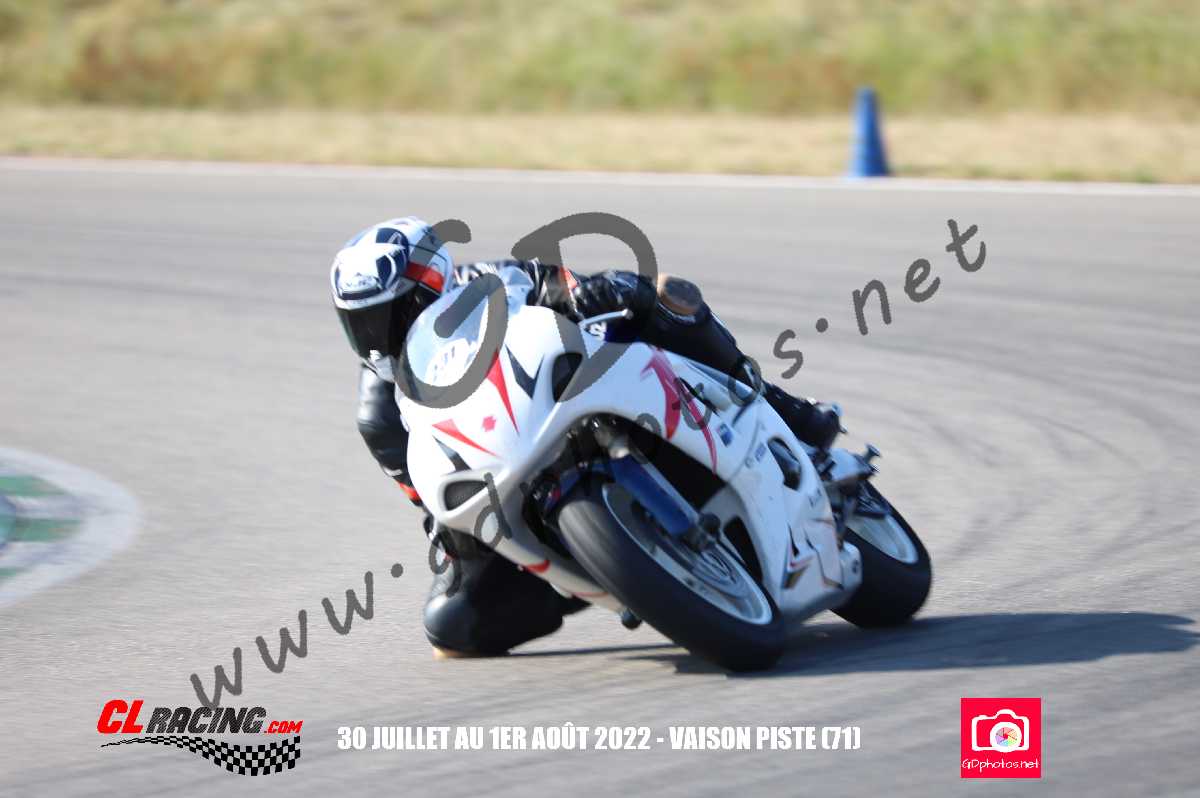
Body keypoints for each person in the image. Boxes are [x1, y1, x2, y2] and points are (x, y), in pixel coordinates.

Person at [331, 216, 841, 657]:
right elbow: (428, 497)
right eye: (360, 323)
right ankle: (601, 573)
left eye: (387, 316)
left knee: (667, 293)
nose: (376, 338)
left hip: (566, 389)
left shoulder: (490, 281)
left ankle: (784, 410)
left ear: (432, 283)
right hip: (499, 465)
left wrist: (605, 291)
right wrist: (450, 531)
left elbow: (565, 287)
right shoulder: (379, 411)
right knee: (449, 629)